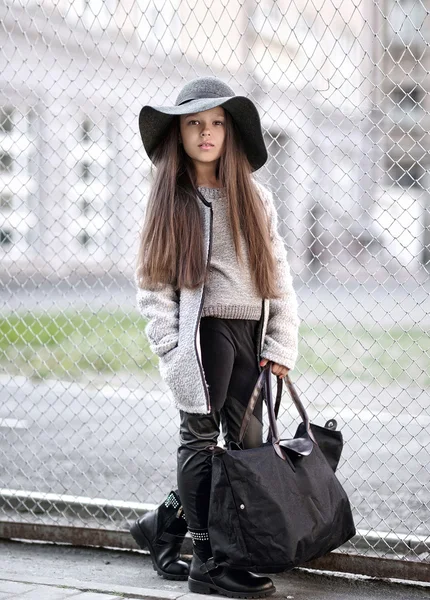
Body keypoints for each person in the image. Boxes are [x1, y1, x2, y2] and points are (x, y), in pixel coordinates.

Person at [131, 76, 300, 598]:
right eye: (194, 124)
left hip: (249, 333)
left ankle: (163, 523)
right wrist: (170, 347)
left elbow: (278, 274)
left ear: (231, 133)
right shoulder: (170, 202)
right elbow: (152, 284)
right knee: (201, 440)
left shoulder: (255, 198)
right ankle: (207, 558)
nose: (206, 133)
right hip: (202, 338)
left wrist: (280, 341)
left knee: (247, 447)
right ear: (178, 134)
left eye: (216, 123)